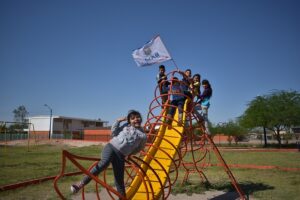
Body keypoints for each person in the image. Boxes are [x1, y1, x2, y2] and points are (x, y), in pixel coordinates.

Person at [70, 110, 147, 199]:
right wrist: (118, 121)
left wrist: (129, 153)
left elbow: (139, 148)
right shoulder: (126, 126)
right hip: (111, 147)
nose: (136, 119)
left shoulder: (143, 135)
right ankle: (80, 184)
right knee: (105, 163)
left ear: (141, 119)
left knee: (119, 180)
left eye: (138, 117)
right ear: (129, 121)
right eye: (133, 118)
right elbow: (114, 132)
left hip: (121, 155)